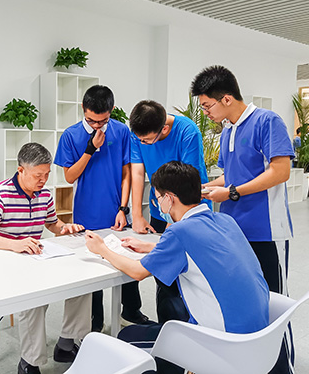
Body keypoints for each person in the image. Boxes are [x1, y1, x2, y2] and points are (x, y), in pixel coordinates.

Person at [85, 161, 269, 374]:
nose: (157, 204)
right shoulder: (224, 220)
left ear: (169, 199)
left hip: (224, 343)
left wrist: (102, 249)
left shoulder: (179, 232)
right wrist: (151, 247)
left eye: (158, 198)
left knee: (127, 337)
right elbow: (201, 250)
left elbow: (137, 272)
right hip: (260, 339)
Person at [191, 65, 295, 374]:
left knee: (273, 302)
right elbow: (230, 176)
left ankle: (281, 366)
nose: (206, 112)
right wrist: (205, 188)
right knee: (246, 301)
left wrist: (232, 192)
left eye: (207, 106)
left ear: (226, 98)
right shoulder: (228, 130)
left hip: (265, 230)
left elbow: (281, 171)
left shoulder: (267, 121)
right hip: (233, 231)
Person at [0, 142, 90, 374]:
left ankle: (66, 344)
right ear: (21, 170)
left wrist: (65, 228)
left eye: (47, 174)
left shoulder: (44, 194)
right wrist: (15, 245)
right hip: (4, 263)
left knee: (82, 282)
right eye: (38, 175)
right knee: (35, 298)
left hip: (35, 258)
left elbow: (52, 223)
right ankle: (30, 362)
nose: (43, 180)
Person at [54, 85, 148, 332]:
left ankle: (131, 312)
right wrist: (90, 148)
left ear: (112, 110)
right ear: (83, 109)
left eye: (102, 121)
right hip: (86, 213)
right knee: (91, 270)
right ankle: (95, 322)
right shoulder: (70, 135)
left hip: (116, 212)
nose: (97, 125)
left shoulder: (121, 131)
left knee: (127, 260)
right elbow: (69, 177)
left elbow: (127, 172)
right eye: (91, 120)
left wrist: (123, 208)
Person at [128, 99, 209, 323]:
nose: (143, 144)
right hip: (160, 209)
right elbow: (138, 173)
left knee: (186, 276)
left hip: (187, 212)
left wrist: (175, 225)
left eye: (147, 141)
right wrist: (137, 215)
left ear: (164, 129)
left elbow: (187, 180)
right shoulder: (139, 132)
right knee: (163, 275)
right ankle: (167, 329)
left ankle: (190, 328)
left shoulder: (187, 132)